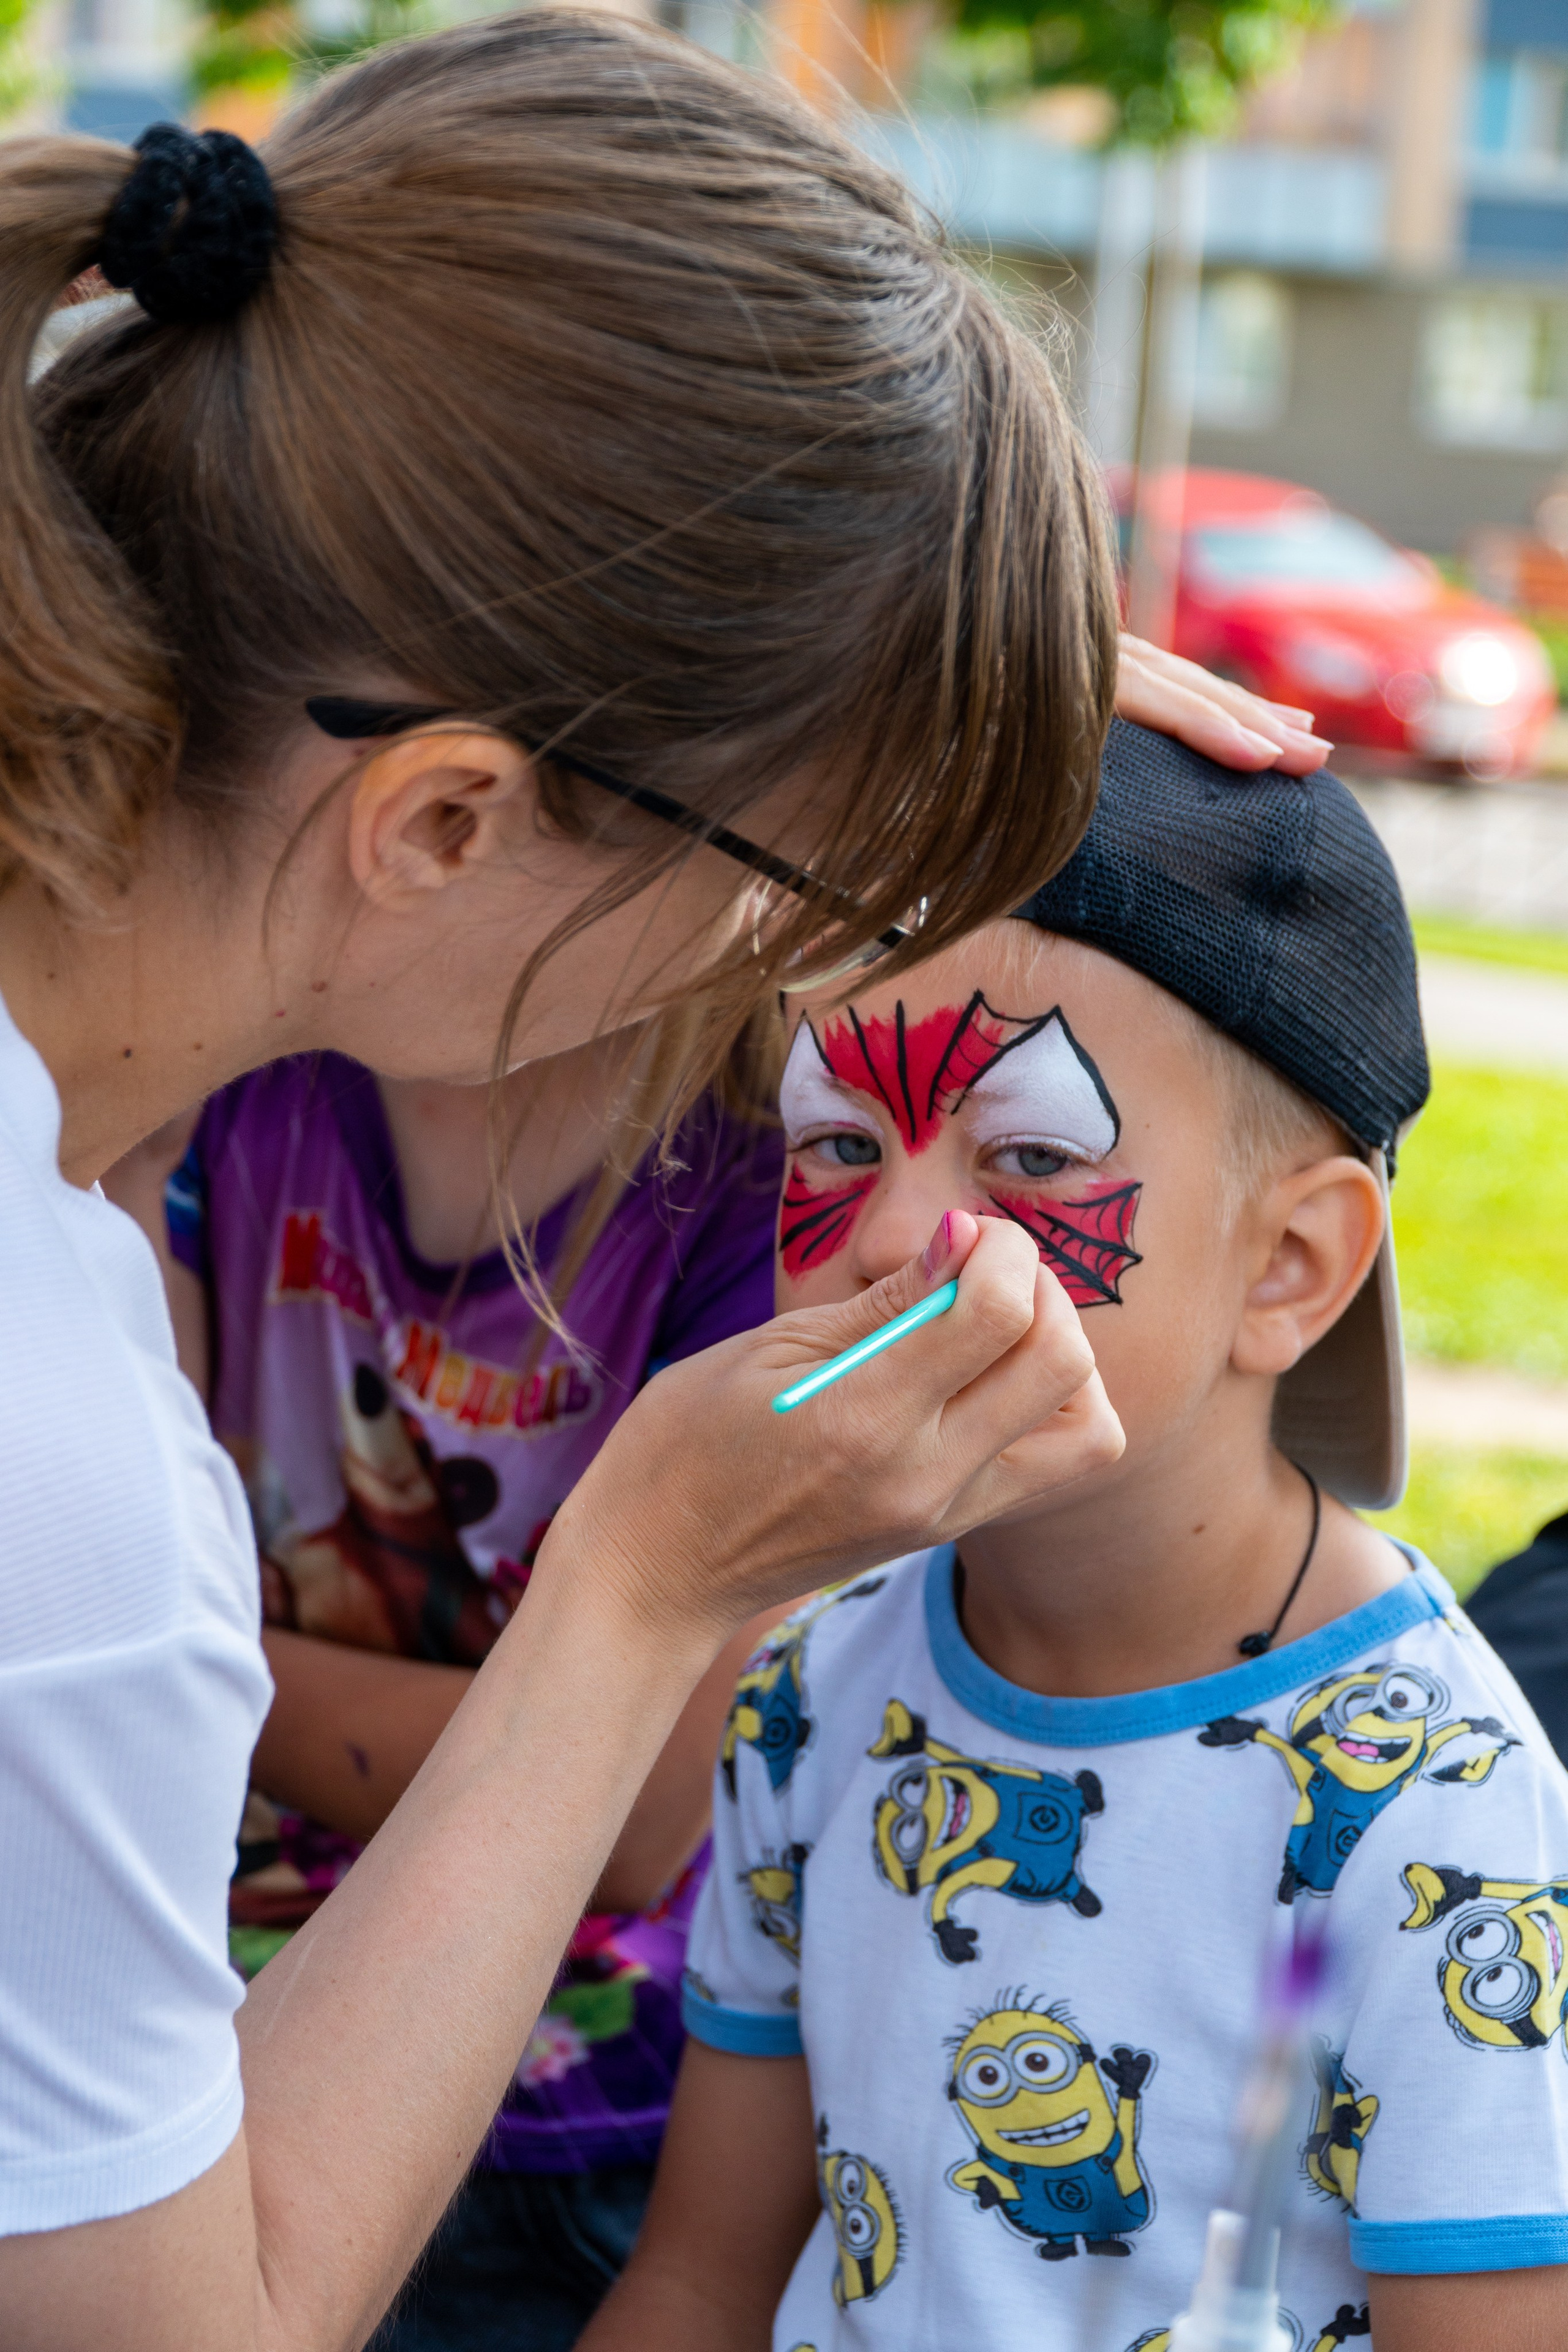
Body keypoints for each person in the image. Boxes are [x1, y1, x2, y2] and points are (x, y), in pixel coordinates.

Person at [0, 11, 1155, 2339]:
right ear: (442, 818)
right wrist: (638, 1586)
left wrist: (889, 701)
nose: (796, 974)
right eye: (790, 885)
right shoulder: (59, 1470)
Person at [581, 722, 1568, 2352]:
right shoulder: (814, 1690)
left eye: (1030, 1158)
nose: (897, 1237)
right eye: (840, 1143)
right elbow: (698, 2281)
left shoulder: (1441, 1827)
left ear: (1291, 1269)